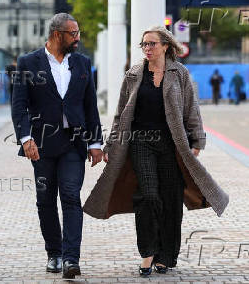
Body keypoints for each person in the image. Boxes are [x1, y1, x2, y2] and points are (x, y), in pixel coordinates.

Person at [83, 26, 229, 277]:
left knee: (171, 199)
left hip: (172, 145)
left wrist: (197, 142)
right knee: (149, 195)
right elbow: (121, 114)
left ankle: (166, 256)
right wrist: (110, 145)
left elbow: (191, 111)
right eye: (144, 45)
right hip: (141, 142)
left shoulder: (180, 74)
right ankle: (148, 253)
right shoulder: (134, 74)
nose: (147, 48)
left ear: (165, 46)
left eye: (152, 44)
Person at [11, 13, 103, 279]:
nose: (77, 38)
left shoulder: (83, 62)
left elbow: (90, 106)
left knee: (72, 197)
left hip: (74, 144)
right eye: (73, 33)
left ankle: (71, 259)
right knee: (45, 200)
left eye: (78, 33)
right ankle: (54, 253)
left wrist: (96, 142)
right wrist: (26, 139)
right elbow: (19, 106)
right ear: (56, 34)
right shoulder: (29, 62)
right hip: (41, 145)